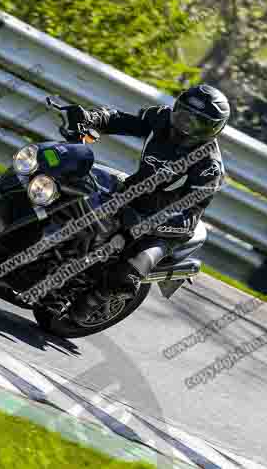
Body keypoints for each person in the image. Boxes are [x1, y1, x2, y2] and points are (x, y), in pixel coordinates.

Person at [60, 84, 231, 322]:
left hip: (164, 225)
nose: (185, 125)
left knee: (126, 275)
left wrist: (146, 222)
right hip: (130, 193)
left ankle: (95, 301)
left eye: (197, 123)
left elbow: (190, 216)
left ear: (212, 129)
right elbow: (122, 120)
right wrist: (91, 118)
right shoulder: (161, 119)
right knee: (70, 189)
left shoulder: (209, 167)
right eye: (183, 115)